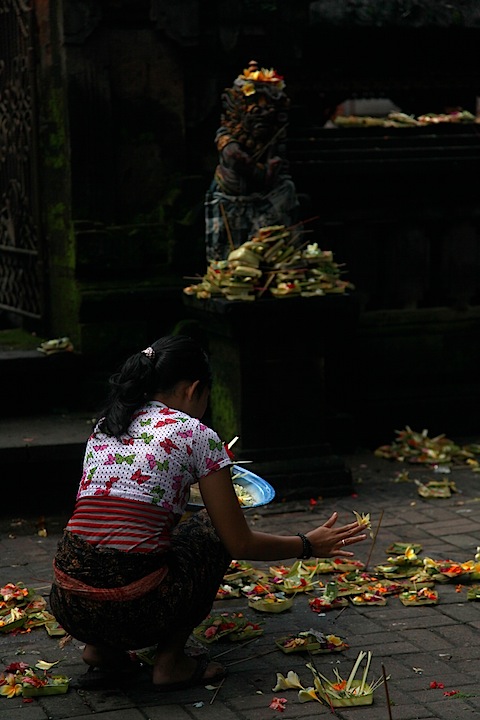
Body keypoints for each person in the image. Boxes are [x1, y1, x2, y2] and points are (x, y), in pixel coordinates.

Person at [49, 334, 367, 692]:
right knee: (208, 531)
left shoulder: (108, 423)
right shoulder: (195, 433)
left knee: (134, 544)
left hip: (68, 604)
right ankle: (170, 664)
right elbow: (239, 544)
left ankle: (101, 649)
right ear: (194, 389)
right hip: (135, 609)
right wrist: (307, 544)